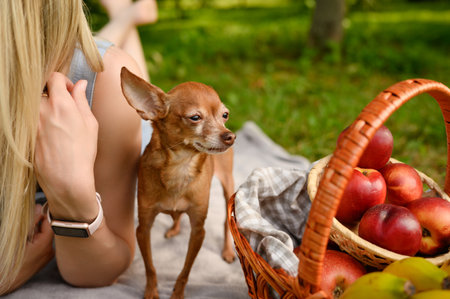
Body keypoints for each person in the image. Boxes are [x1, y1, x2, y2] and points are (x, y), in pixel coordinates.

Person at [0, 0, 157, 294]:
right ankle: (125, 16)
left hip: (110, 109)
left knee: (137, 95)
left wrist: (72, 199)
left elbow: (106, 264)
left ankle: (125, 18)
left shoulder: (102, 84)